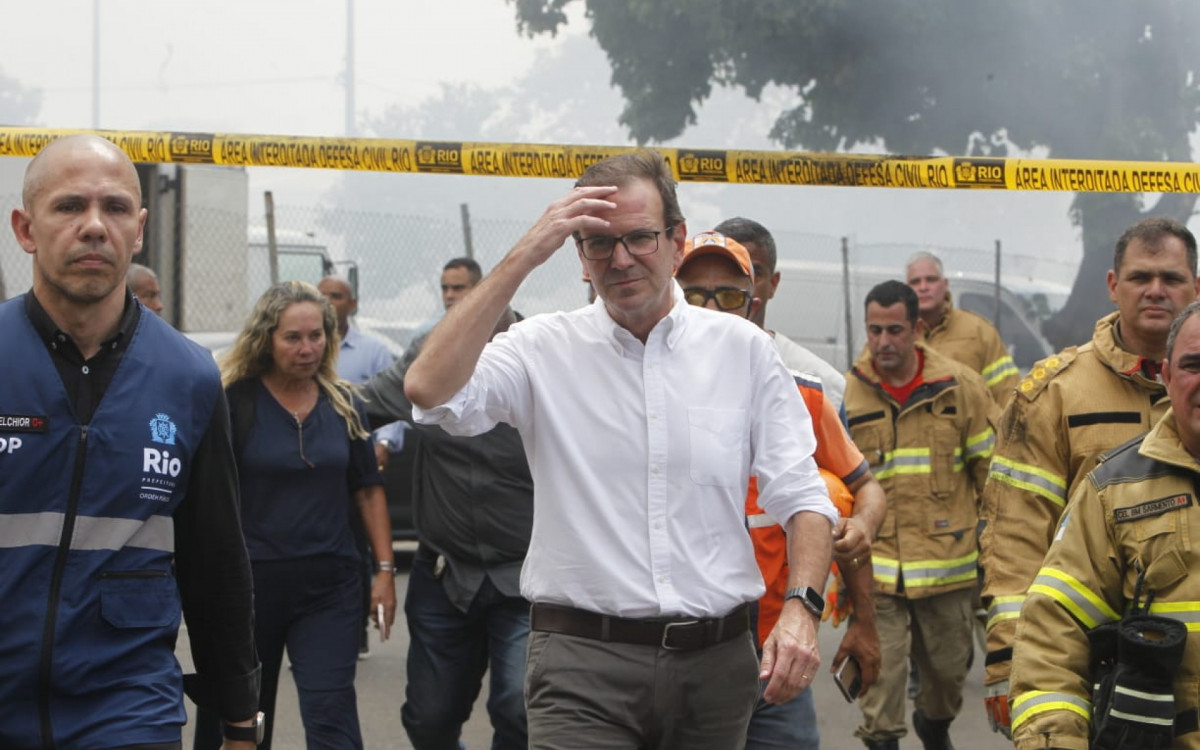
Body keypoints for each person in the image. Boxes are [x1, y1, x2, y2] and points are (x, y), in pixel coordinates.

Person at [403, 150, 838, 749]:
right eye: (598, 243)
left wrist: (802, 609)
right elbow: (428, 391)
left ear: (677, 239)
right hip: (581, 665)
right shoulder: (540, 349)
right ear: (578, 255)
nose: (622, 258)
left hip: (714, 670)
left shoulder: (743, 351)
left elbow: (804, 497)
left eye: (640, 237)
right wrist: (525, 255)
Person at [0, 134, 262, 748]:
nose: (94, 226)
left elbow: (216, 558)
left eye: (115, 208)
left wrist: (238, 714)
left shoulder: (190, 377)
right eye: (69, 206)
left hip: (125, 706)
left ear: (138, 229)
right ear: (25, 228)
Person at [979, 217, 1199, 737]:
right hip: (1103, 670)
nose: (1155, 291)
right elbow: (1015, 537)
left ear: (1196, 287)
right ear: (1112, 286)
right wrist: (1011, 662)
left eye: (1171, 279)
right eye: (1140, 277)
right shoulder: (1053, 394)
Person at [675, 230, 887, 750]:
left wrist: (861, 535)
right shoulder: (639, 397)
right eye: (692, 293)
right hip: (676, 661)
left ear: (754, 302)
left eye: (727, 294)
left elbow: (866, 493)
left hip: (776, 659)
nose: (711, 307)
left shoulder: (803, 397)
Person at [193, 281, 396, 750]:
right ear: (267, 338)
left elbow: (367, 490)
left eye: (316, 335)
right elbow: (204, 495)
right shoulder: (232, 401)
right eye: (293, 338)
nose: (307, 348)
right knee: (241, 719)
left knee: (331, 713)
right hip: (245, 591)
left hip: (330, 588)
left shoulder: (346, 403)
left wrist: (384, 571)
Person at [360, 303, 534, 750]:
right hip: (445, 574)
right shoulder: (430, 361)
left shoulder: (541, 362)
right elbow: (355, 407)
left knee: (520, 709)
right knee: (428, 718)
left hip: (527, 580)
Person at [843, 281, 996, 750]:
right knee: (879, 681)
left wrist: (994, 554)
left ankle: (935, 726)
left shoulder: (960, 387)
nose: (884, 342)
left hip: (949, 570)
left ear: (918, 329)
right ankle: (882, 738)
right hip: (877, 574)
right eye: (874, 330)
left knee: (948, 677)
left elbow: (990, 478)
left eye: (895, 330)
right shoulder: (847, 394)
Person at [317, 274, 405, 661]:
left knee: (355, 547)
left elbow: (397, 405)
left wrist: (384, 443)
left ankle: (353, 629)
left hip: (356, 465)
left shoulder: (373, 352)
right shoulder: (307, 346)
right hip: (314, 470)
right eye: (323, 296)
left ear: (352, 304)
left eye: (337, 296)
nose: (330, 302)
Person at [714, 216, 847, 410]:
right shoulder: (674, 369)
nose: (741, 285)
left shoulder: (820, 384)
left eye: (754, 272)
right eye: (728, 273)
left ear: (773, 284)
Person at [905, 251, 1018, 404]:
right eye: (915, 282)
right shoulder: (895, 336)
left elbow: (1007, 394)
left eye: (931, 279)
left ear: (945, 284)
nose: (923, 287)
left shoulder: (979, 331)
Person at [405, 257, 483, 354]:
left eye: (458, 288)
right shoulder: (425, 335)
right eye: (444, 288)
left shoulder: (497, 328)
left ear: (478, 288)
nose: (449, 295)